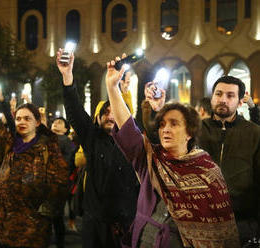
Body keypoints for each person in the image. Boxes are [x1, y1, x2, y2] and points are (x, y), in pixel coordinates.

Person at [105, 55, 240, 247]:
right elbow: (127, 127)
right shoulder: (151, 159)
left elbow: (220, 227)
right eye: (162, 124)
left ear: (189, 132)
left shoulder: (207, 169)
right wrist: (112, 87)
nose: (165, 129)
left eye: (174, 124)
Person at [0, 66, 69, 248]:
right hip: (3, 227)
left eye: (27, 118)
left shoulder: (48, 149)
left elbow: (59, 185)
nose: (21, 122)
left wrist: (40, 215)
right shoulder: (9, 145)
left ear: (37, 122)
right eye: (19, 118)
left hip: (32, 232)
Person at [56, 49, 139, 248]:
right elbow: (75, 110)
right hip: (96, 223)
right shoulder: (92, 137)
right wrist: (67, 76)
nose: (110, 116)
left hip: (127, 222)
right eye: (105, 112)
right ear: (98, 117)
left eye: (114, 112)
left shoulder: (133, 141)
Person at [198, 76, 260, 245]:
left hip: (241, 227)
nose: (223, 100)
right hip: (199, 225)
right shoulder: (195, 130)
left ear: (240, 102)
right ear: (212, 98)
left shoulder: (254, 133)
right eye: (218, 94)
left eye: (230, 95)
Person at [50, 117, 75, 248]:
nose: (55, 123)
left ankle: (59, 241)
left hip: (58, 184)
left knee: (56, 215)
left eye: (59, 122)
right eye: (54, 122)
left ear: (66, 129)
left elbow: (67, 162)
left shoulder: (66, 142)